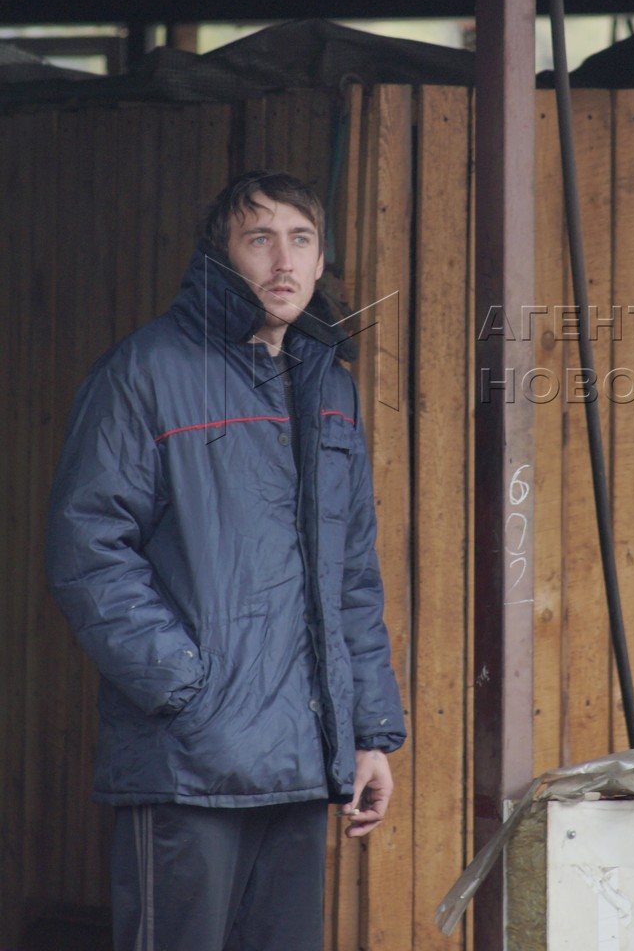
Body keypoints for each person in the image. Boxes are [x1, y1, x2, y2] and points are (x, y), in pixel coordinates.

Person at [45, 170, 406, 951]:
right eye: (259, 238)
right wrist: (185, 688)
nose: (283, 260)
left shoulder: (330, 388)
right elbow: (89, 549)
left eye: (301, 240)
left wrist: (368, 733)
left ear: (320, 261)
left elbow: (350, 574)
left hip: (303, 758)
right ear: (221, 255)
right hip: (190, 759)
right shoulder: (147, 371)